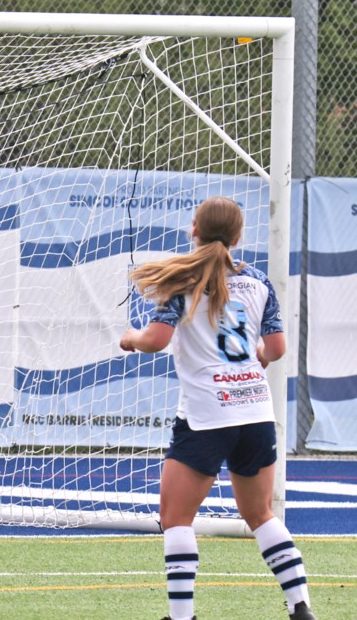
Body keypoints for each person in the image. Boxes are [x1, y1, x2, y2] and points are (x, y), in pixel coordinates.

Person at [118, 196, 317, 620]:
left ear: (195, 229)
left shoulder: (183, 280)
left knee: (175, 518)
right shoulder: (259, 281)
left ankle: (182, 616)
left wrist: (130, 337)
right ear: (239, 236)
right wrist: (250, 359)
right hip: (256, 413)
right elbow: (277, 348)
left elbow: (155, 340)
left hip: (208, 414)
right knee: (261, 515)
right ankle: (301, 606)